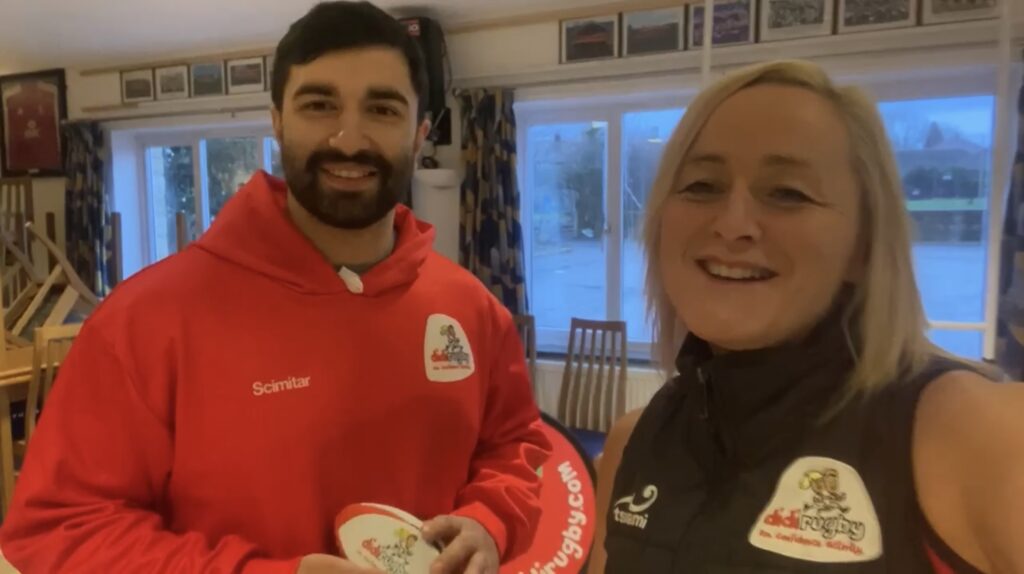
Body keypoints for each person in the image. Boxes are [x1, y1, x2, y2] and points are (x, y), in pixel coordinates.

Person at [0, 2, 551, 573]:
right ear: (277, 120)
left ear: (420, 134)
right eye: (319, 104)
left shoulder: (474, 312)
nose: (349, 137)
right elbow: (60, 532)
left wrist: (490, 521)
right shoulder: (143, 323)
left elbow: (516, 450)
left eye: (382, 108)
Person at [589, 60, 1024, 573]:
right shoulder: (632, 444)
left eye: (787, 193)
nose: (732, 224)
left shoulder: (976, 433)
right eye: (702, 185)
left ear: (863, 247)